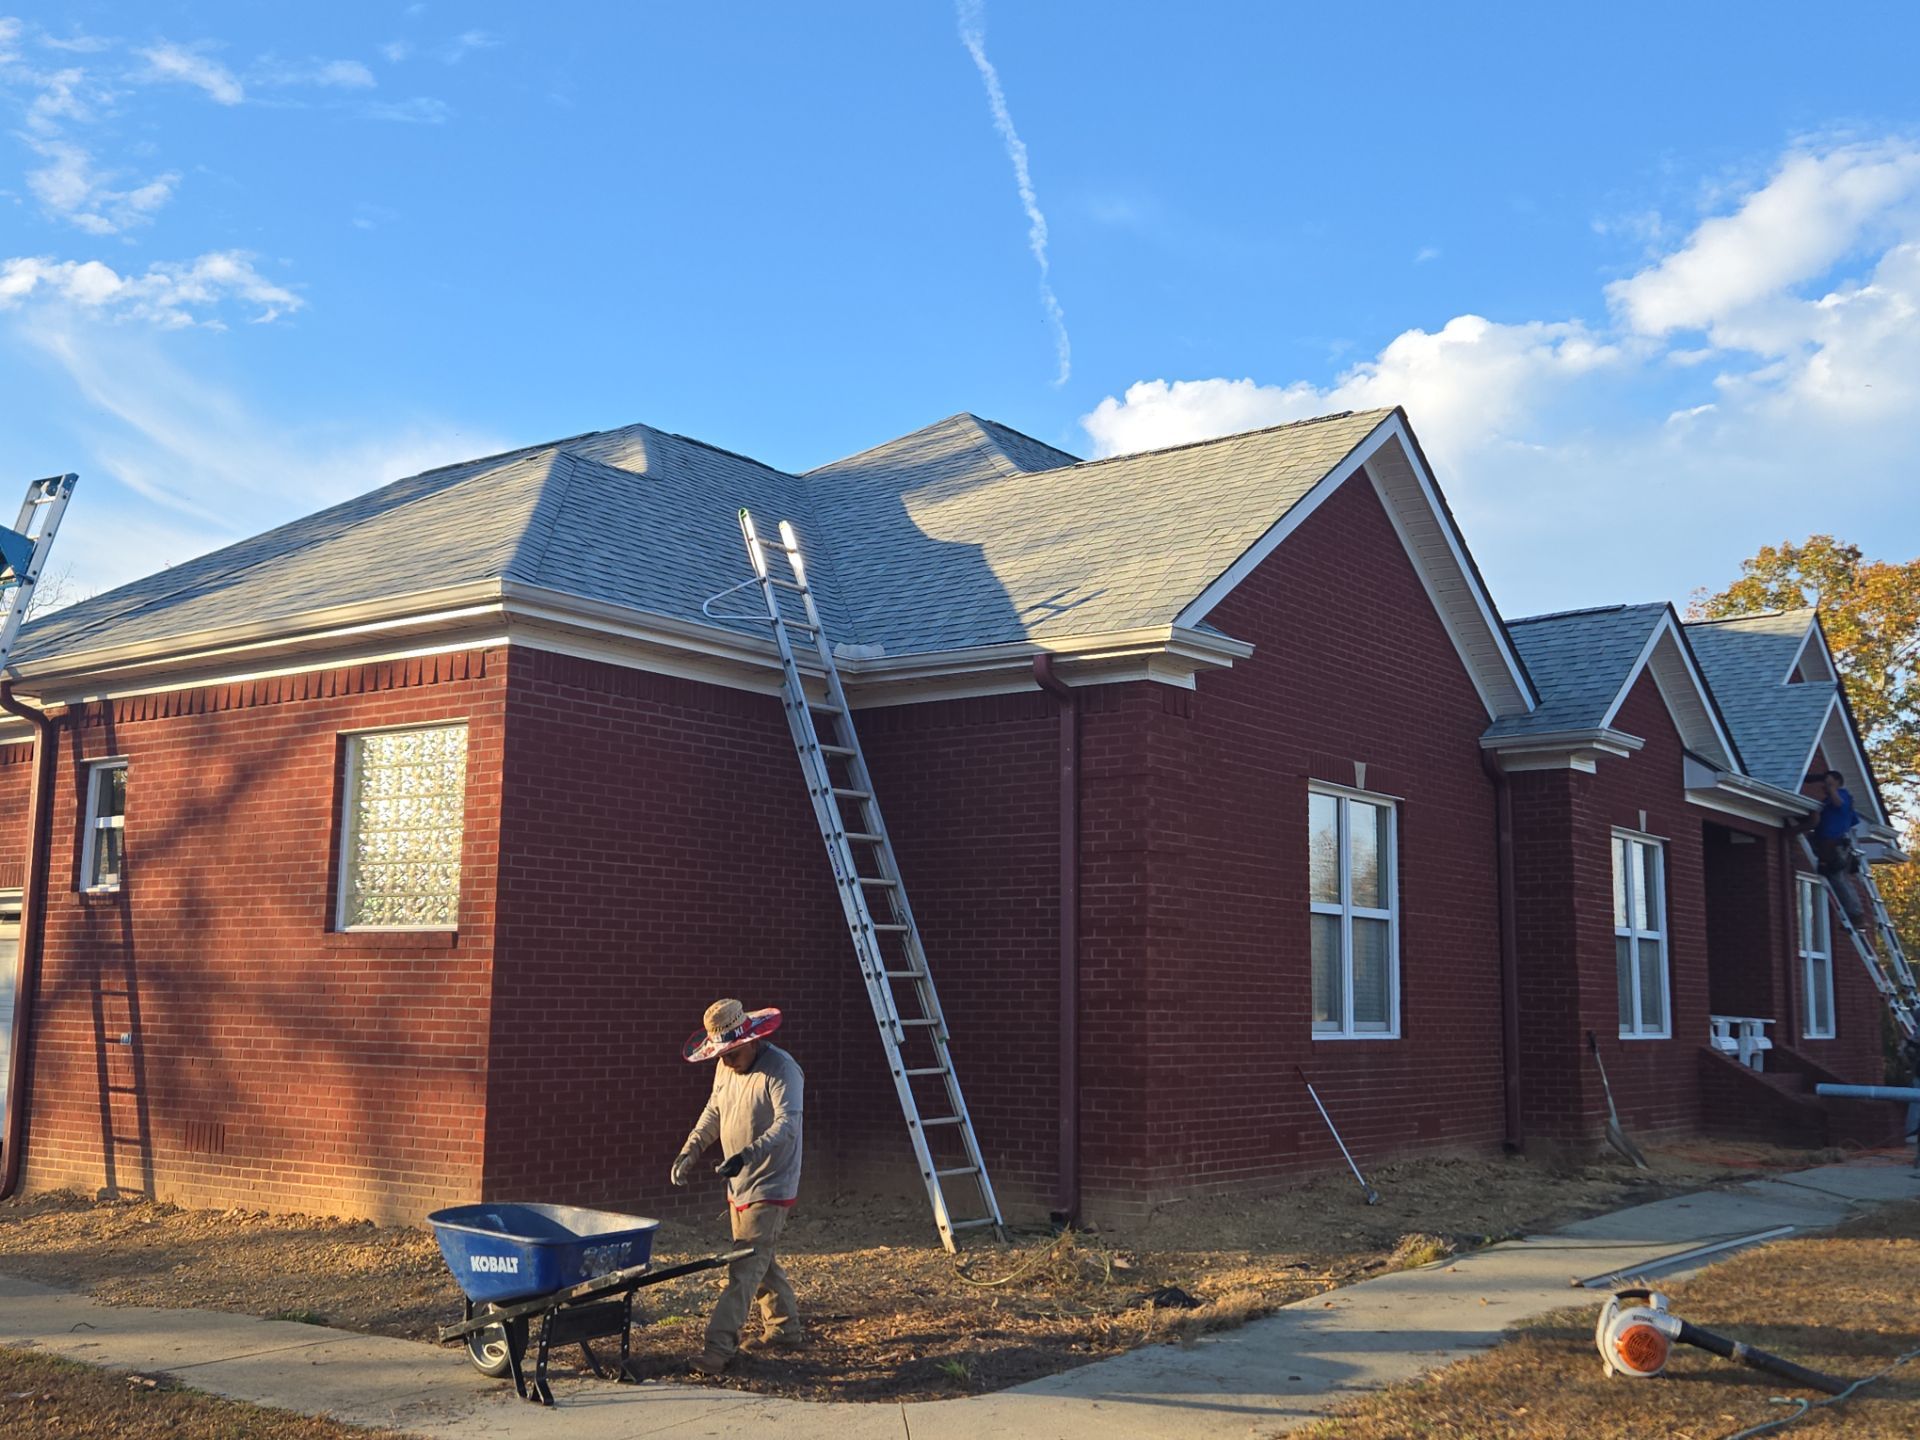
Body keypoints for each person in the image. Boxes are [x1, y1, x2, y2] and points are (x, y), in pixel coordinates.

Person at [671, 998, 804, 1373]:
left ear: (752, 1038)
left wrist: (748, 1154)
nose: (727, 1060)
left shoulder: (782, 1069)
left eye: (733, 1052)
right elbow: (714, 1111)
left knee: (744, 1265)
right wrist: (690, 1151)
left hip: (772, 1182)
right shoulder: (724, 1069)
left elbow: (788, 1124)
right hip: (738, 1181)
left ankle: (718, 1348)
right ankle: (784, 1328)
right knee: (759, 1258)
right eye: (722, 1053)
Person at [1809, 769, 1867, 925]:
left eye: (1828, 781)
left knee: (1839, 880)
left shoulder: (1842, 795)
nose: (1824, 785)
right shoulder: (1830, 802)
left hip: (1834, 846)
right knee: (1839, 879)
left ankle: (1856, 915)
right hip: (1826, 843)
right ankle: (1855, 914)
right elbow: (1852, 819)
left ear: (1836, 782)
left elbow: (1839, 803)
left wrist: (1832, 789)